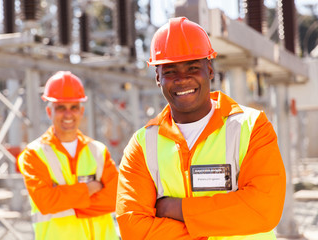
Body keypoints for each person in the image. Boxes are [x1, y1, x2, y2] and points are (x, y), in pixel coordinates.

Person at [116, 16, 286, 240]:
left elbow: (263, 210)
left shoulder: (253, 127)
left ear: (210, 69)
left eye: (193, 67)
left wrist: (175, 209)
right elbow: (133, 228)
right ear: (158, 77)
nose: (182, 79)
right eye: (169, 71)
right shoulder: (142, 145)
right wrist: (213, 225)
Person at [18, 71, 119, 240]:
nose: (68, 114)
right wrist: (89, 189)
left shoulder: (98, 151)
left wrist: (67, 201)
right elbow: (46, 201)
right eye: (61, 108)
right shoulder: (33, 154)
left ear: (81, 111)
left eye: (73, 107)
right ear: (49, 112)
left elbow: (114, 198)